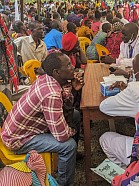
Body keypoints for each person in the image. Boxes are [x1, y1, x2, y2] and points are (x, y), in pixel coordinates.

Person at [1, 52, 83, 186]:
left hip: (20, 130)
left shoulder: (47, 78)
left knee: (75, 115)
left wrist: (73, 89)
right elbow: (62, 136)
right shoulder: (50, 94)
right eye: (68, 65)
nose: (72, 66)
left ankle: (69, 159)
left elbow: (65, 108)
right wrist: (71, 131)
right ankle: (64, 183)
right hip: (18, 140)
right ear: (57, 72)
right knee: (68, 145)